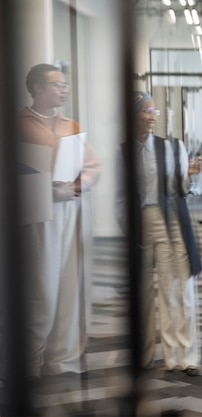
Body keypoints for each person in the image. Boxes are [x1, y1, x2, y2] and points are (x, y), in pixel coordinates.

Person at [20, 63, 101, 379]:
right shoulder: (19, 124)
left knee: (70, 284)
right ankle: (29, 360)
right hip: (38, 215)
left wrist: (77, 186)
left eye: (65, 85)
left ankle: (63, 358)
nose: (64, 90)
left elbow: (92, 165)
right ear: (38, 88)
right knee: (42, 288)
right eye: (57, 84)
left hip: (71, 212)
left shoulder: (71, 124)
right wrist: (50, 187)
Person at [115, 91, 202, 376]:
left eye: (155, 111)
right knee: (141, 294)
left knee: (176, 288)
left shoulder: (172, 147)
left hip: (170, 220)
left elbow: (182, 190)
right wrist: (130, 228)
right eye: (147, 111)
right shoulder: (123, 151)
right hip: (140, 221)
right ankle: (143, 355)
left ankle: (183, 355)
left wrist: (190, 175)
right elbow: (120, 198)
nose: (153, 116)